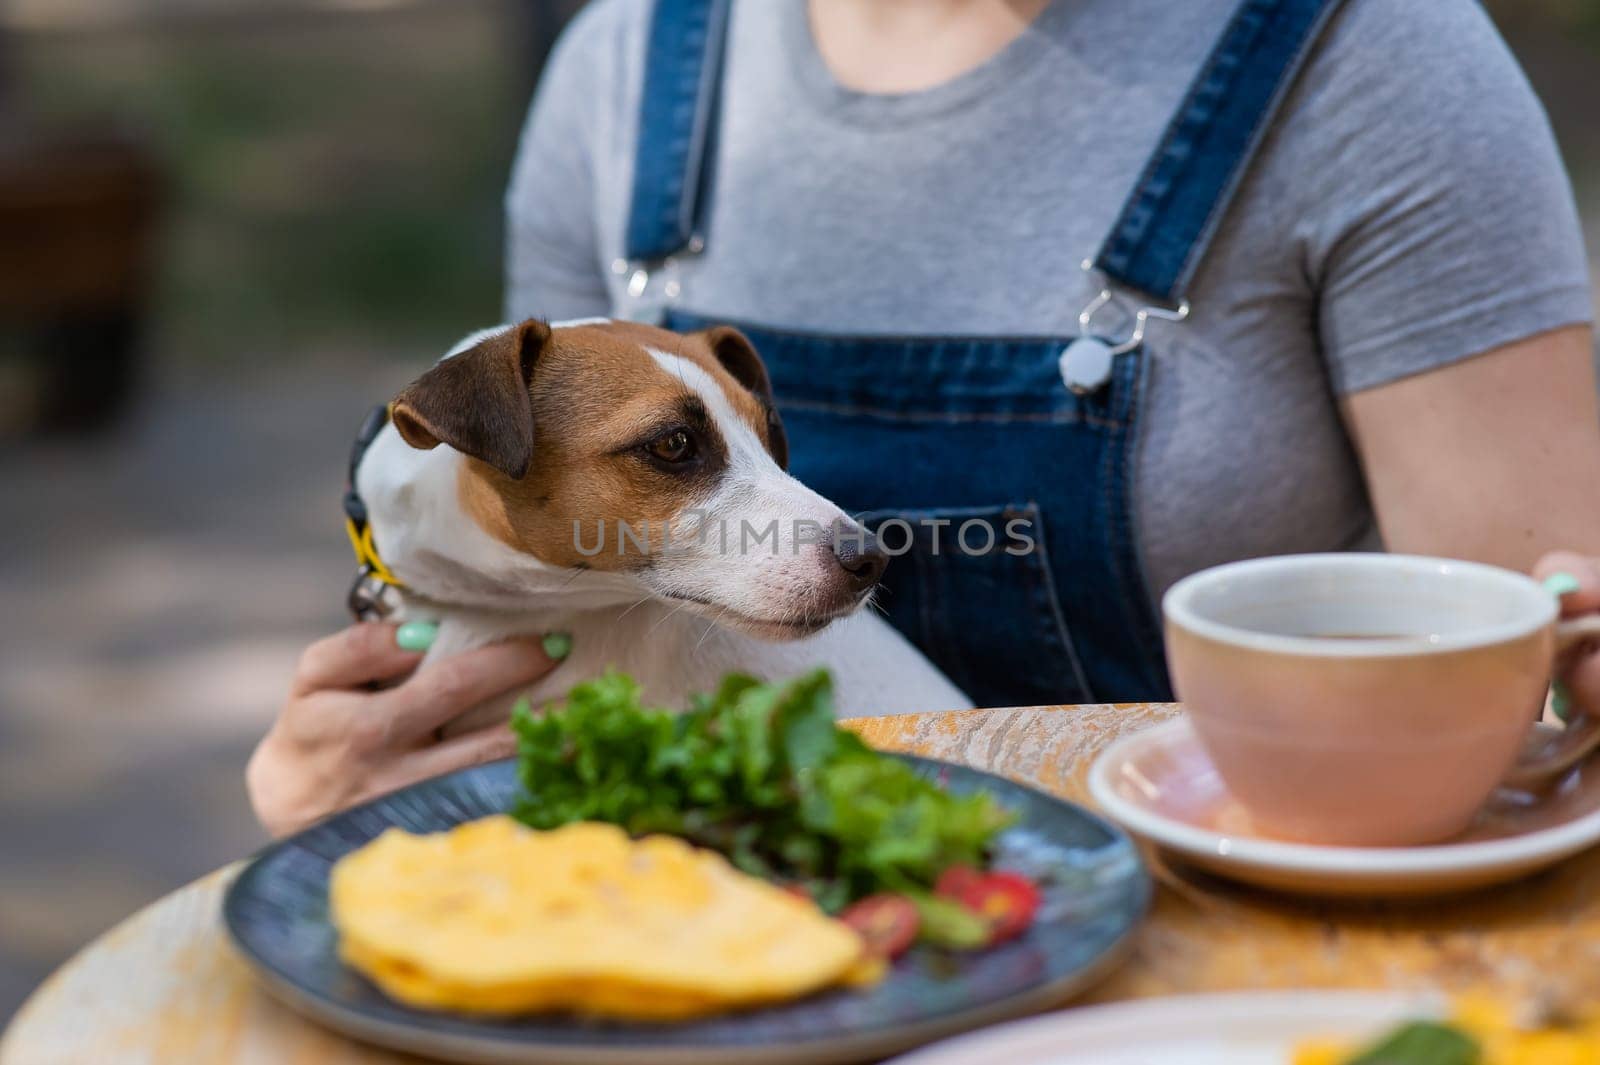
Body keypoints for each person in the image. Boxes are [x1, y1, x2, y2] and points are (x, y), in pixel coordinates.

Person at [249, 0, 1600, 835]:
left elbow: (1528, 672)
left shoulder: (1365, 59)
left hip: (1184, 922)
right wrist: (353, 777)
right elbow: (511, 535)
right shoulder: (625, 67)